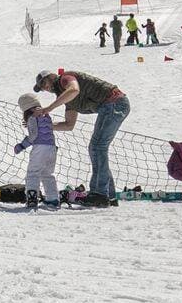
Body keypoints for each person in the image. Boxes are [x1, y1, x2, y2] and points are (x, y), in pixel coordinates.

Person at [34, 68, 130, 207]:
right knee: (96, 148)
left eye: (44, 83)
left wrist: (48, 109)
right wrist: (44, 126)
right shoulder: (66, 98)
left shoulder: (65, 78)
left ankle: (100, 194)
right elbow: (69, 125)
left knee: (98, 147)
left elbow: (74, 90)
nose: (44, 88)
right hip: (111, 106)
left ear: (52, 77)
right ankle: (109, 196)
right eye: (41, 88)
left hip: (114, 103)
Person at [13, 93, 59, 209]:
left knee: (33, 172)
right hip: (52, 148)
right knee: (47, 174)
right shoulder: (46, 115)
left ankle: (32, 197)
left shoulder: (32, 117)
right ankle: (53, 198)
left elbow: (33, 136)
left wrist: (21, 146)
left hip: (40, 148)